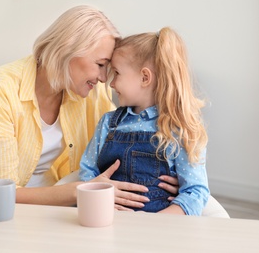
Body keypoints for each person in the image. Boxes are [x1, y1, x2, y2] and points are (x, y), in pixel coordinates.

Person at [0, 6, 179, 208]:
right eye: (101, 64)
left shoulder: (91, 92)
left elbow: (113, 151)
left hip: (54, 207)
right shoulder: (0, 91)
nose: (105, 78)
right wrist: (82, 191)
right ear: (68, 51)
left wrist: (162, 178)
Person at [79, 27, 210, 215]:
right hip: (108, 221)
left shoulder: (180, 129)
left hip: (158, 232)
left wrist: (155, 225)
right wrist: (100, 197)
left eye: (116, 73)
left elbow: (195, 192)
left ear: (145, 77)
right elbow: (87, 171)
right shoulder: (108, 123)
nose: (111, 83)